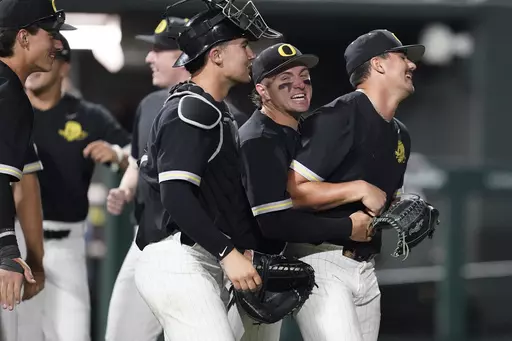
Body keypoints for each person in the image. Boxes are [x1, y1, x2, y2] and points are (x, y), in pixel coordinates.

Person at [133, 1, 282, 340]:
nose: (251, 55)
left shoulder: (217, 112)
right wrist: (227, 252)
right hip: (176, 257)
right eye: (244, 46)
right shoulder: (191, 108)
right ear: (215, 55)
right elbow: (176, 196)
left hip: (201, 255)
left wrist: (246, 250)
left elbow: (221, 200)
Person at [285, 29, 425, 341]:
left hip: (366, 267)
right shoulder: (339, 115)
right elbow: (292, 192)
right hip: (320, 262)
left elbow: (381, 204)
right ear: (377, 64)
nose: (412, 65)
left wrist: (399, 212)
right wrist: (357, 188)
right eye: (403, 57)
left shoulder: (401, 133)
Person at [237, 42, 377, 341]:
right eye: (284, 81)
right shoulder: (259, 139)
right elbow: (273, 222)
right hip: (235, 271)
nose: (298, 85)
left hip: (265, 269)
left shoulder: (296, 132)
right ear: (262, 91)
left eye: (303, 77)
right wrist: (347, 227)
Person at [14, 34, 131, 341]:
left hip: (68, 245)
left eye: (48, 57)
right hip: (18, 242)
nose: (37, 67)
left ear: (63, 66)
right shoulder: (9, 110)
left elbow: (139, 156)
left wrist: (118, 155)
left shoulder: (87, 115)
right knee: (19, 335)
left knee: (74, 334)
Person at [105, 16, 190, 341]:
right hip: (145, 241)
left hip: (194, 248)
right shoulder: (150, 104)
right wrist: (126, 190)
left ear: (184, 55)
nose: (149, 57)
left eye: (159, 49)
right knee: (120, 335)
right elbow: (138, 162)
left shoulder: (222, 113)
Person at [0, 0, 75, 339]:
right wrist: (6, 250)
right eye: (50, 33)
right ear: (24, 37)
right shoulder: (9, 93)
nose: (57, 44)